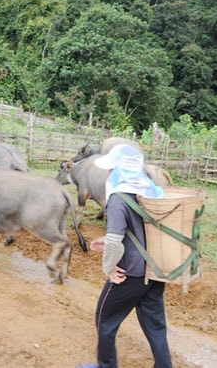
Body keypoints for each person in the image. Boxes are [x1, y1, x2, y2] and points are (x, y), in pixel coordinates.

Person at [81, 144, 171, 368]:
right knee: (156, 327)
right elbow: (136, 230)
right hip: (155, 271)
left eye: (112, 169)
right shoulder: (150, 193)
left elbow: (114, 240)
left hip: (130, 275)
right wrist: (110, 238)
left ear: (119, 171)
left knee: (105, 320)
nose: (110, 174)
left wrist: (109, 269)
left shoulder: (118, 198)